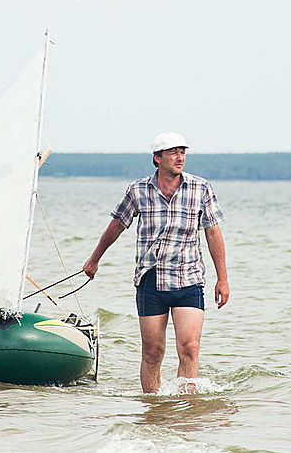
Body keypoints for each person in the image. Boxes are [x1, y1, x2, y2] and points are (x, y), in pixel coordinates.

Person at [83, 132, 229, 394]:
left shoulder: (200, 188)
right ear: (157, 158)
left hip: (189, 278)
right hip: (151, 280)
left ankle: (185, 407)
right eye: (173, 152)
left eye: (182, 152)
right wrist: (94, 260)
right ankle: (151, 409)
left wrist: (223, 278)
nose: (180, 157)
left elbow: (212, 232)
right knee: (152, 352)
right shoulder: (138, 190)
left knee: (190, 348)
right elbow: (117, 224)